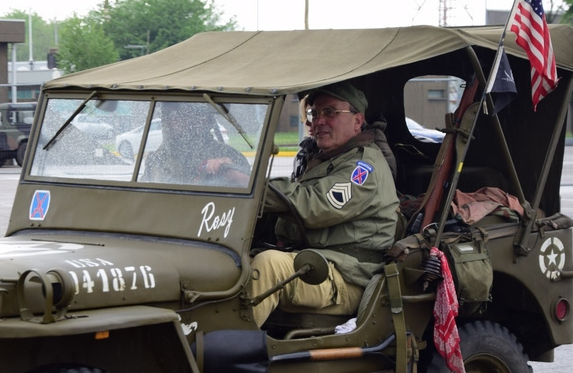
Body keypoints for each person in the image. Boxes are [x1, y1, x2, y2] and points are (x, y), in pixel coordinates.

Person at [251, 83, 399, 327]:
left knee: (269, 266)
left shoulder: (363, 168)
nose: (318, 121)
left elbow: (315, 206)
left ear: (357, 121)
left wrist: (253, 188)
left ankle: (227, 346)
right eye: (315, 113)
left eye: (330, 112)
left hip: (348, 276)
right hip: (315, 263)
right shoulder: (326, 160)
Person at [140, 102, 250, 187]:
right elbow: (142, 194)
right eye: (168, 116)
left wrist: (231, 172)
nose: (170, 122)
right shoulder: (157, 159)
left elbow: (249, 191)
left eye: (178, 115)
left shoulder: (228, 155)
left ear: (205, 120)